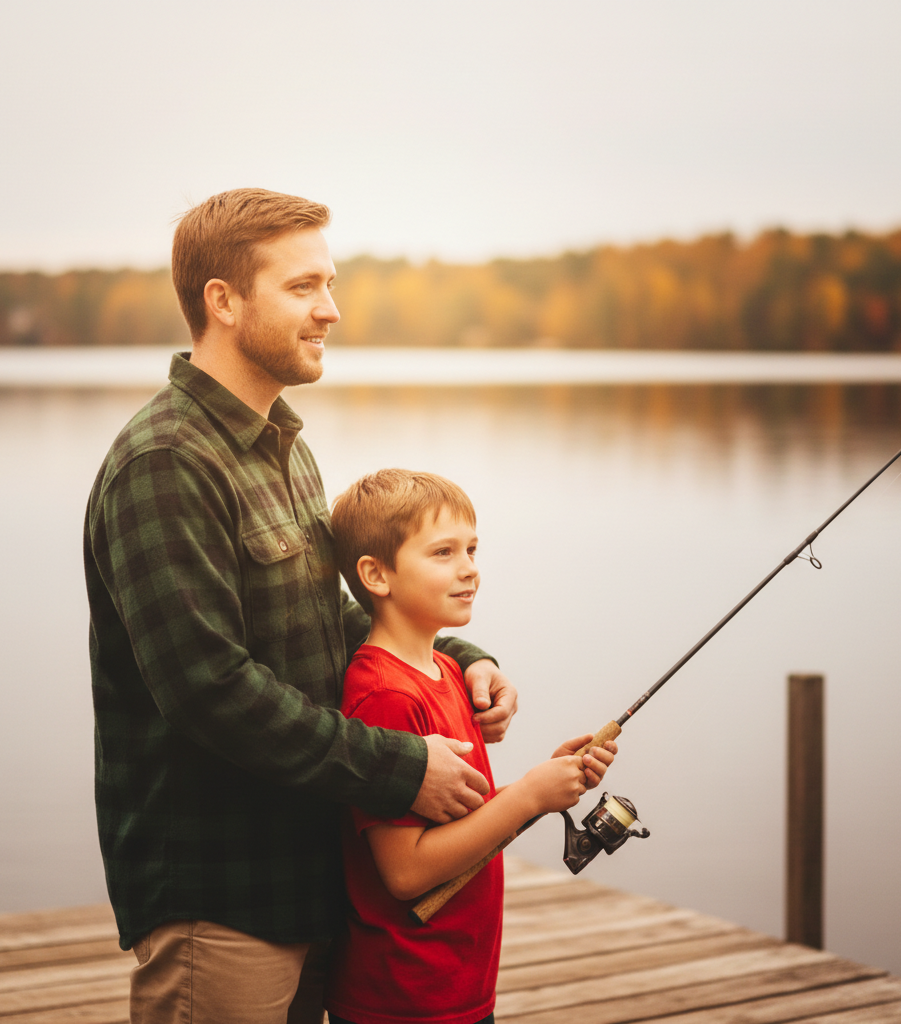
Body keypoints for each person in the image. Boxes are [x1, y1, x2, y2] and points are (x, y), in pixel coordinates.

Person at [83, 188, 519, 1024]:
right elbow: (210, 689)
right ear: (224, 301)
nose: (332, 309)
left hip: (313, 881)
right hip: (220, 900)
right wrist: (401, 771)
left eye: (330, 283)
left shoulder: (284, 447)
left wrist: (463, 662)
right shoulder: (165, 462)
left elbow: (334, 615)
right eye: (303, 287)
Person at [325, 469, 618, 1024]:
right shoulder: (383, 696)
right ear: (375, 575)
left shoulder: (447, 671)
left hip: (458, 984)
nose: (470, 569)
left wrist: (547, 783)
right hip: (401, 995)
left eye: (472, 549)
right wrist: (527, 798)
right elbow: (405, 871)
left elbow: (459, 821)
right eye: (443, 553)